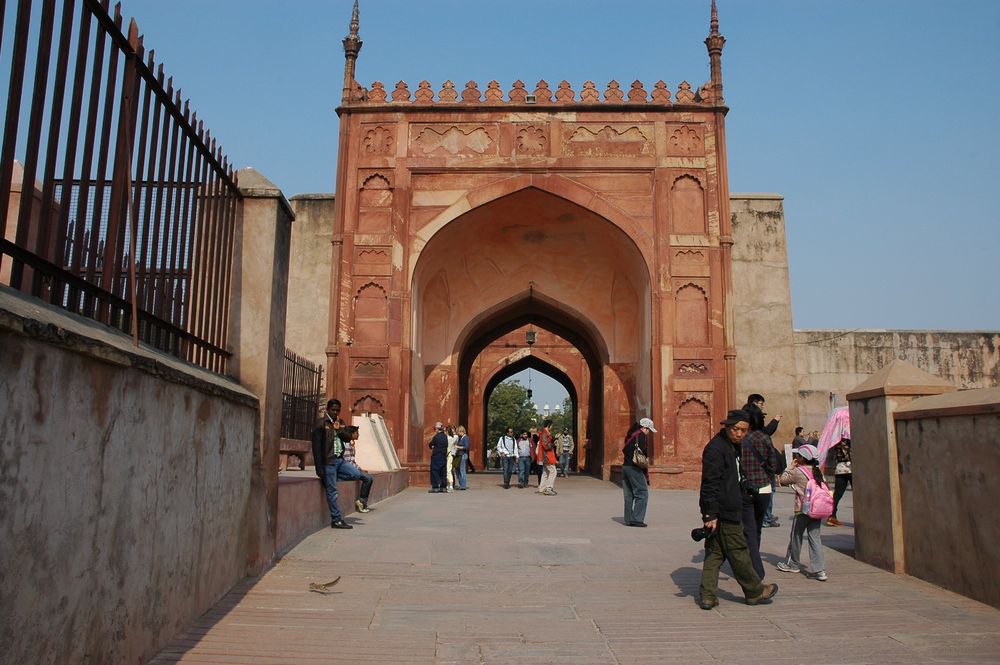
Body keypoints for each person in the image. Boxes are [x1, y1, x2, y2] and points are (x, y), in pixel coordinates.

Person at [698, 409, 778, 610]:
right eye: (736, 429)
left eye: (743, 430)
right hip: (724, 509)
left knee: (715, 552)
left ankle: (708, 595)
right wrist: (710, 513)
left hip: (728, 504)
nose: (740, 434)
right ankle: (754, 591)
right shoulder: (716, 449)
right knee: (739, 550)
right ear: (726, 426)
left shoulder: (732, 446)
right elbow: (710, 483)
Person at [740, 407, 786, 578]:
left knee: (747, 528)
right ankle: (755, 560)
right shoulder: (765, 438)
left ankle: (750, 562)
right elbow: (774, 465)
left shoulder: (741, 438)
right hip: (764, 488)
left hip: (745, 488)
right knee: (757, 528)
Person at [775, 444, 829, 581]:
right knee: (815, 538)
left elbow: (782, 479)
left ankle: (793, 564)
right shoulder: (818, 472)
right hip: (817, 510)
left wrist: (790, 467)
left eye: (798, 455)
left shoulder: (798, 471)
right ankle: (820, 570)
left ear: (803, 458)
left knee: (796, 537)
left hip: (802, 510)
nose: (796, 457)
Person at [310, 399, 353, 529]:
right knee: (333, 492)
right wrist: (319, 468)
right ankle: (336, 519)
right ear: (328, 409)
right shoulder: (320, 424)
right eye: (333, 410)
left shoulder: (340, 422)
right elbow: (316, 447)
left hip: (339, 460)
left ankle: (330, 479)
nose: (335, 412)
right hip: (328, 461)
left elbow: (348, 437)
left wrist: (339, 429)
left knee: (355, 474)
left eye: (337, 410)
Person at [622, 417, 656, 527]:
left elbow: (625, 450)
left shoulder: (630, 435)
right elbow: (643, 451)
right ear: (644, 428)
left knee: (629, 495)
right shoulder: (640, 435)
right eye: (648, 430)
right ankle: (636, 519)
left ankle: (628, 519)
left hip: (625, 467)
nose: (648, 432)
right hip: (635, 468)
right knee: (642, 493)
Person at [339, 425, 374, 514]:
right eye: (356, 433)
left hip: (351, 468)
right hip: (347, 469)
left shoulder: (350, 444)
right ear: (351, 434)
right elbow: (348, 461)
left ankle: (363, 502)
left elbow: (352, 460)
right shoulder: (346, 445)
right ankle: (362, 502)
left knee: (368, 477)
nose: (358, 435)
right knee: (368, 479)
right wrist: (359, 470)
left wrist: (360, 469)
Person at [827, 438, 852, 526]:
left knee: (837, 495)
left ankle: (832, 516)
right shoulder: (851, 438)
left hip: (840, 469)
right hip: (851, 468)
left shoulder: (836, 440)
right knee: (858, 496)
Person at [536, 419, 558, 496]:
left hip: (544, 456)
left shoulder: (544, 433)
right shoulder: (545, 433)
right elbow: (546, 446)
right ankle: (548, 488)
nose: (552, 427)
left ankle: (542, 488)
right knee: (553, 471)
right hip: (547, 456)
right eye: (551, 425)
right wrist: (553, 443)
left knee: (545, 473)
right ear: (549, 425)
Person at [428, 422, 449, 493]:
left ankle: (435, 487)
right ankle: (443, 487)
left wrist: (432, 446)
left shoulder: (436, 437)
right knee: (443, 472)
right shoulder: (445, 437)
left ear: (437, 429)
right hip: (443, 456)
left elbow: (431, 444)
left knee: (435, 471)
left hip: (436, 457)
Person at [453, 425, 470, 490]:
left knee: (462, 470)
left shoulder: (465, 438)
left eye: (458, 432)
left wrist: (458, 447)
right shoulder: (461, 438)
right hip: (459, 455)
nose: (458, 433)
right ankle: (461, 484)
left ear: (461, 431)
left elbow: (467, 447)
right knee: (457, 470)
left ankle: (463, 485)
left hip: (463, 455)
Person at [445, 426, 458, 493]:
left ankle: (450, 485)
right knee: (449, 470)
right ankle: (450, 485)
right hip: (450, 455)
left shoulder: (447, 438)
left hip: (448, 455)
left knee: (448, 470)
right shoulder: (452, 438)